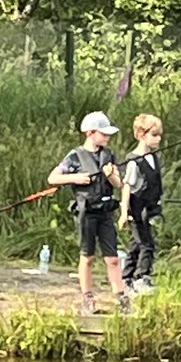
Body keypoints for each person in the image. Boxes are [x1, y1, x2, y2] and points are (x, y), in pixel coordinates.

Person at [47, 110, 131, 317]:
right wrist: (75, 178)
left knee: (112, 258)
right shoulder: (75, 156)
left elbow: (118, 183)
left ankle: (121, 298)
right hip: (86, 213)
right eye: (104, 133)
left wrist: (110, 176)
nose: (107, 137)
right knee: (88, 256)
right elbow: (53, 178)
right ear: (90, 133)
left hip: (105, 212)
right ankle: (88, 298)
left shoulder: (108, 155)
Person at [119, 113, 163, 295]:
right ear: (141, 135)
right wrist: (124, 213)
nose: (158, 139)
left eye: (159, 135)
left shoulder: (153, 157)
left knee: (136, 245)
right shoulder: (133, 161)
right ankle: (141, 277)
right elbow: (127, 187)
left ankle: (126, 278)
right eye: (154, 135)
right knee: (146, 244)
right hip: (137, 211)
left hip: (150, 208)